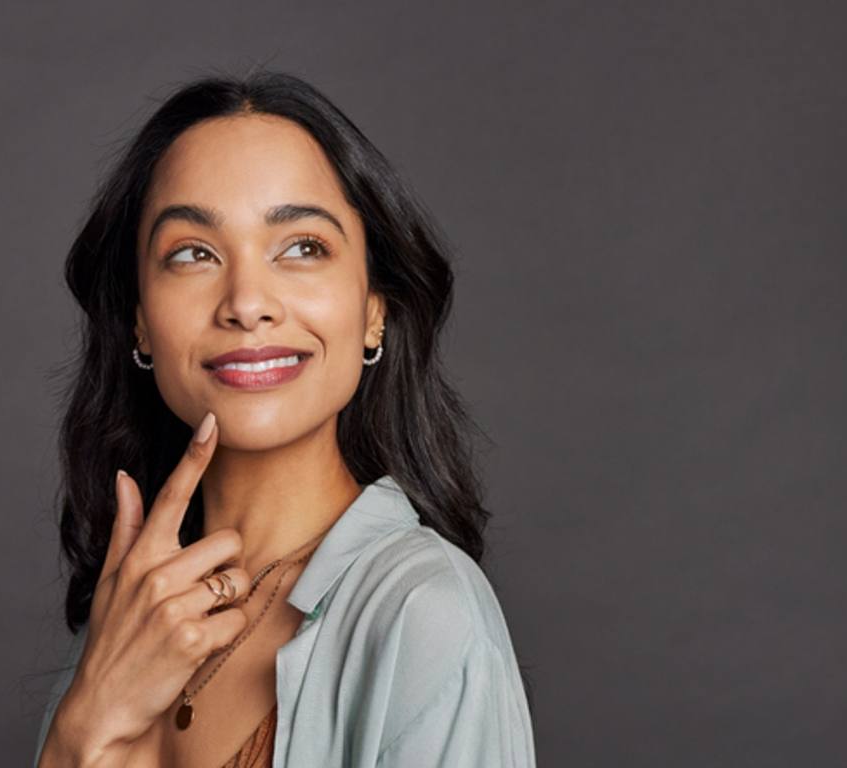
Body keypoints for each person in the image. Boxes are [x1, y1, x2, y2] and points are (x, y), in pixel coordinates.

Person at [32, 68, 536, 767]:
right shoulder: (132, 616)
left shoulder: (424, 613)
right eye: (193, 253)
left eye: (302, 247)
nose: (247, 301)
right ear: (140, 322)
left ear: (373, 310)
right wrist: (84, 727)